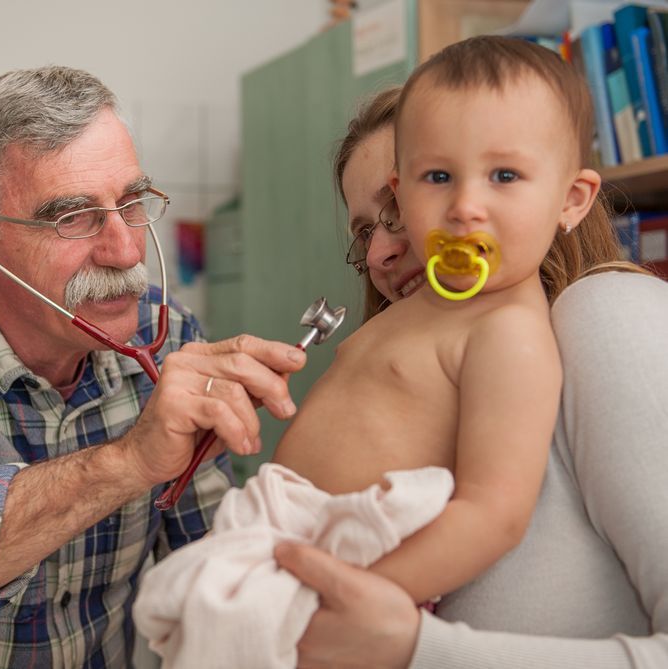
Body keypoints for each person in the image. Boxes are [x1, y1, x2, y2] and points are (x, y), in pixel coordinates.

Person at [134, 35, 615, 666]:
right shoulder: (425, 311)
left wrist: (357, 600)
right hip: (275, 545)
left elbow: (493, 514)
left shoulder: (510, 332)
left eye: (504, 175)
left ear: (571, 201)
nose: (466, 206)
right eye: (437, 179)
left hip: (345, 583)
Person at [0, 66, 306, 668]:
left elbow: (212, 556)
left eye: (130, 204)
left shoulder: (167, 340)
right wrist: (125, 462)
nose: (125, 251)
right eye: (72, 217)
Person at [275, 41, 668, 668]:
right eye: (364, 231)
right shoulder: (426, 370)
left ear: (566, 198)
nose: (378, 252)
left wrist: (417, 649)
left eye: (395, 213)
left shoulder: (602, 316)